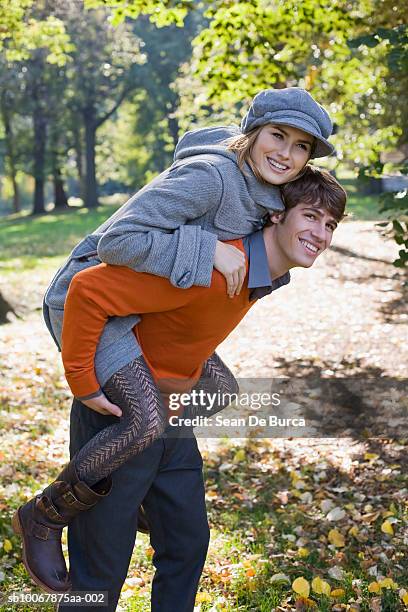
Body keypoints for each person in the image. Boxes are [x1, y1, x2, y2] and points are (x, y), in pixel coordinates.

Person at [12, 88, 338, 598]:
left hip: (148, 304)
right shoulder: (209, 177)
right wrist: (206, 248)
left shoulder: (270, 195)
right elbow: (116, 245)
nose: (286, 153)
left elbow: (270, 249)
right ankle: (46, 512)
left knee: (219, 389)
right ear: (251, 134)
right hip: (96, 304)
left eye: (301, 147)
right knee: (141, 420)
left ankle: (141, 486)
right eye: (277, 136)